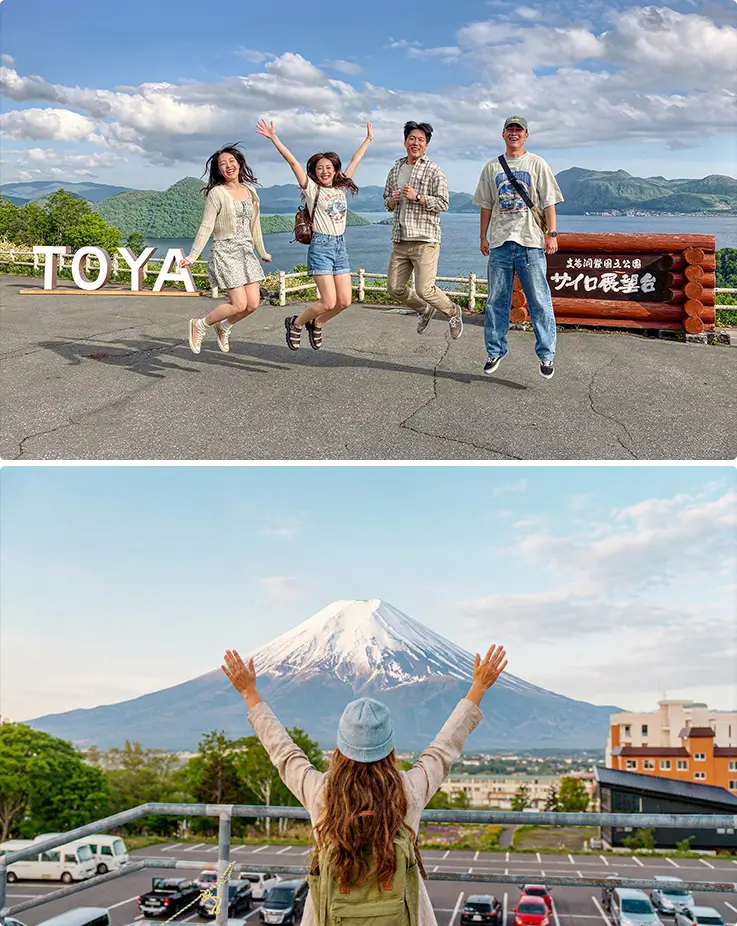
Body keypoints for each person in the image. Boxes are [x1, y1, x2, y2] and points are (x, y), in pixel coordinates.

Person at [221, 642, 507, 926]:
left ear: (341, 748)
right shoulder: (408, 790)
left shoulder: (322, 792)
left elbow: (284, 752)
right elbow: (443, 750)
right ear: (390, 747)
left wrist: (250, 693)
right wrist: (478, 689)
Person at [257, 119, 373, 351]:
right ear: (314, 171)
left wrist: (368, 139)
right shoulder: (311, 189)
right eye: (320, 168)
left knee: (345, 301)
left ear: (335, 170)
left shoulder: (341, 187)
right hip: (321, 246)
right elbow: (292, 162)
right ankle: (296, 323)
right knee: (328, 301)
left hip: (340, 248)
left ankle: (316, 323)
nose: (324, 171)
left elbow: (355, 160)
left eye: (329, 167)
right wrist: (274, 138)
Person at [472, 116, 563, 380]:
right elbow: (486, 204)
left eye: (519, 130)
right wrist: (482, 236)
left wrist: (552, 234)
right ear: (503, 135)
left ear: (526, 135)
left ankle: (546, 355)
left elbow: (549, 202)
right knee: (495, 301)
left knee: (539, 300)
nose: (514, 134)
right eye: (510, 130)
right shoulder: (491, 167)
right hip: (500, 241)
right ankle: (495, 350)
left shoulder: (537, 163)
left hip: (532, 242)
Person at [180, 144, 272, 355]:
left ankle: (225, 326)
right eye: (223, 164)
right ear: (218, 170)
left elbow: (255, 225)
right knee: (239, 304)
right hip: (226, 250)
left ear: (240, 164)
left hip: (246, 251)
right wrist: (193, 256)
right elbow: (206, 226)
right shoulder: (217, 193)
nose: (228, 166)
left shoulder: (251, 192)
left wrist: (262, 251)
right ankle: (200, 325)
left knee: (253, 304)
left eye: (232, 161)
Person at [383, 122, 463, 340]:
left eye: (420, 140)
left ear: (426, 145)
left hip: (425, 239)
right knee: (394, 288)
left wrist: (418, 197)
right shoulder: (395, 169)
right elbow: (386, 201)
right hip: (400, 239)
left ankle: (452, 312)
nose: (415, 143)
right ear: (405, 142)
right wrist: (392, 200)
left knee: (424, 289)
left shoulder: (434, 170)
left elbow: (444, 203)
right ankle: (424, 309)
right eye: (411, 138)